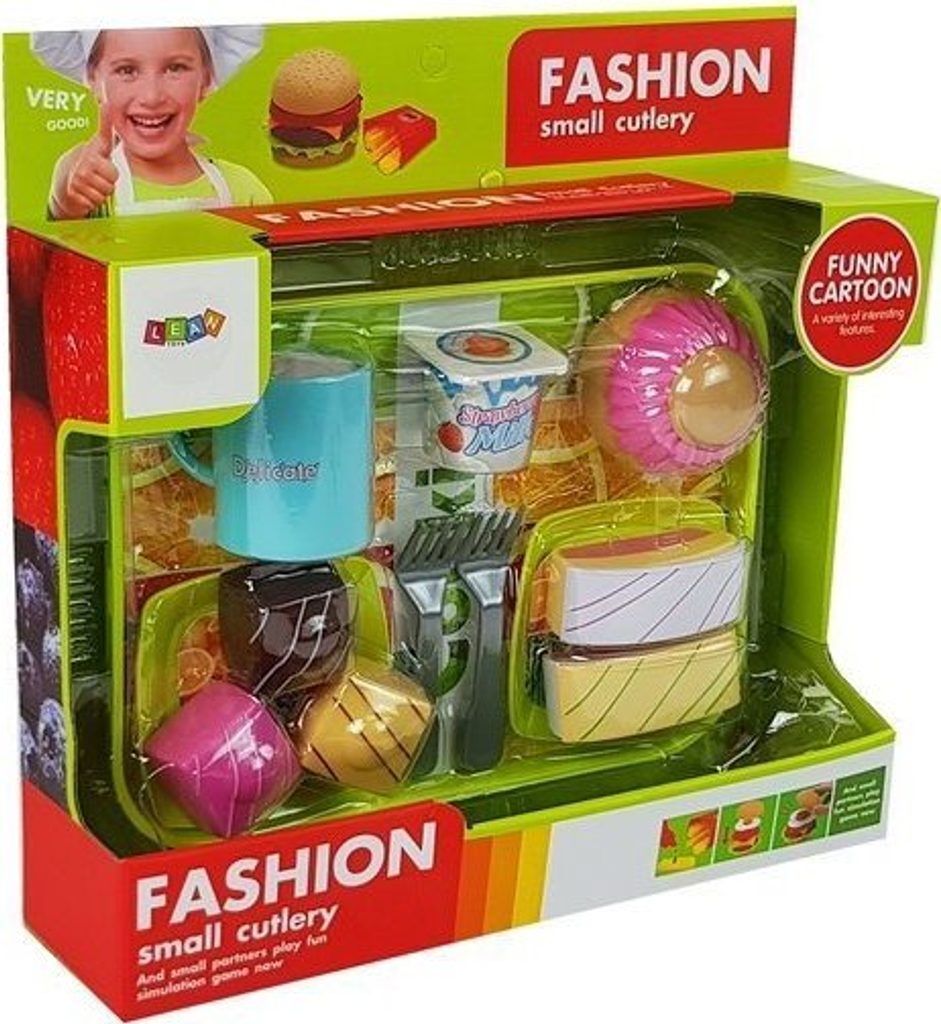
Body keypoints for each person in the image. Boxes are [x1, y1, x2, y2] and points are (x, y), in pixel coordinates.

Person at [32, 27, 273, 218]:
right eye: (127, 70)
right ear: (93, 79)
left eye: (175, 68)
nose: (152, 97)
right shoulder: (94, 182)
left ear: (207, 77)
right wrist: (66, 199)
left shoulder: (243, 189)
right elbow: (64, 221)